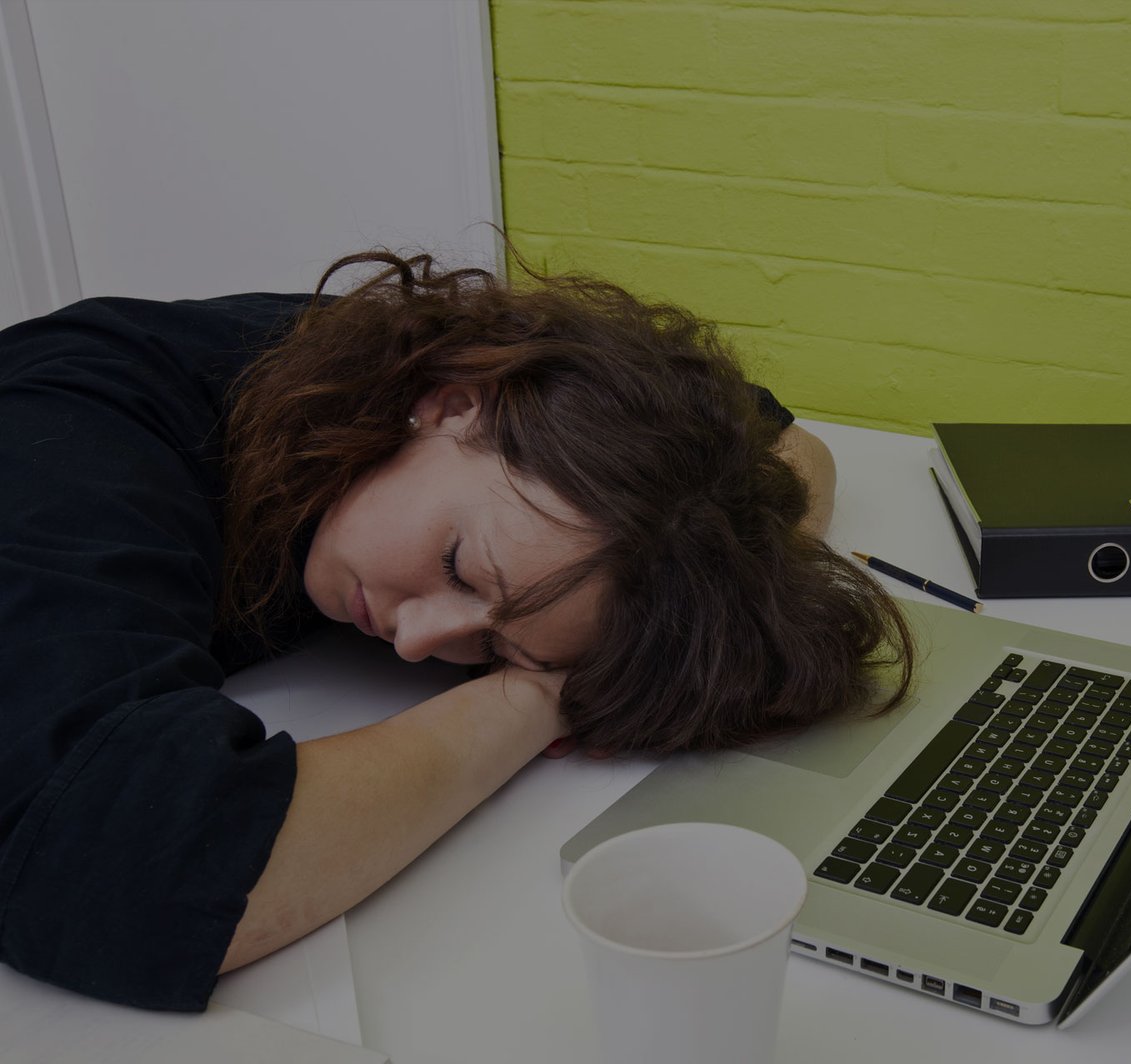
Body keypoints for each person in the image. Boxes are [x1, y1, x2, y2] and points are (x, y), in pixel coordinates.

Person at [0, 250, 912, 1010]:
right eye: (458, 569)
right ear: (450, 404)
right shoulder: (73, 441)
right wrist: (533, 695)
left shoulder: (508, 411)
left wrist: (714, 592)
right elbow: (129, 871)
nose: (416, 644)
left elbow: (787, 451)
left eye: (494, 644)